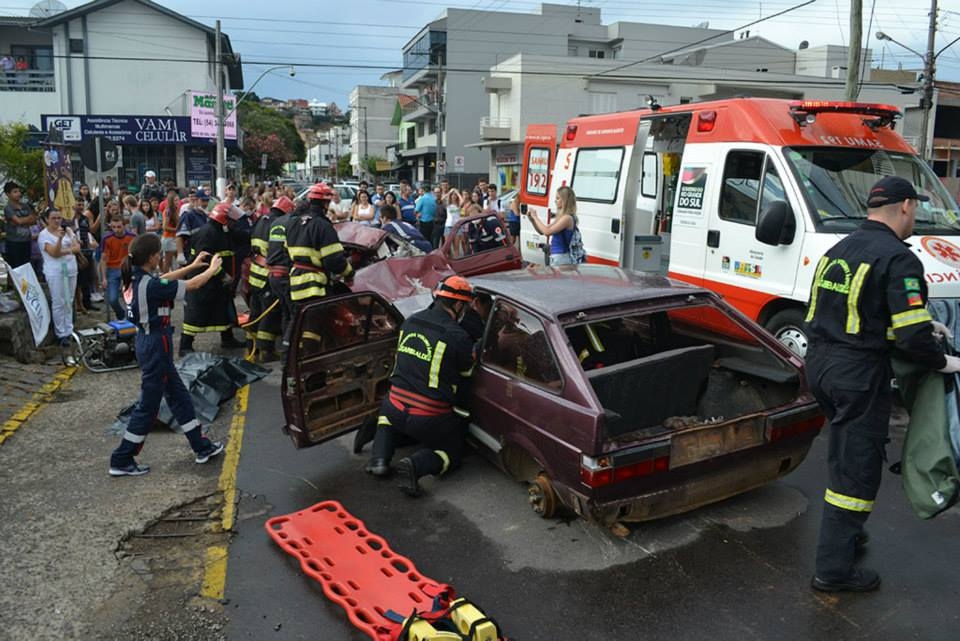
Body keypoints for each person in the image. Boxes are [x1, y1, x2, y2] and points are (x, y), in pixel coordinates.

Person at [804, 176, 960, 593]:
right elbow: (908, 338)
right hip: (857, 374)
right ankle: (833, 571)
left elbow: (862, 314)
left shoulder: (839, 249)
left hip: (821, 365)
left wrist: (928, 326)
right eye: (916, 210)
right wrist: (941, 360)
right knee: (855, 472)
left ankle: (846, 535)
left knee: (843, 454)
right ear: (906, 206)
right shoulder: (899, 259)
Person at [108, 233, 225, 476]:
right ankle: (122, 458)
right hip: (155, 345)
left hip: (150, 342)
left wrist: (191, 266)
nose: (160, 257)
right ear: (151, 257)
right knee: (148, 406)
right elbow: (192, 286)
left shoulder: (135, 279)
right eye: (158, 253)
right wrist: (212, 269)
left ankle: (201, 446)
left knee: (178, 396)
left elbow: (163, 280)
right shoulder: (148, 285)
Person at [363, 275, 478, 497]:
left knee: (386, 414)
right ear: (458, 305)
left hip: (394, 407)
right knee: (453, 452)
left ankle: (379, 460)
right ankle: (416, 465)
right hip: (429, 418)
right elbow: (467, 374)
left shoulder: (410, 322)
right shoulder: (458, 336)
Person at [284, 183, 353, 347]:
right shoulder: (323, 226)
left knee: (297, 324)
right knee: (313, 329)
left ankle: (289, 361)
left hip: (295, 282)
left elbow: (287, 253)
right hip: (314, 286)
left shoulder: (293, 223)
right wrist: (349, 272)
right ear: (325, 204)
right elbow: (334, 260)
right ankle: (309, 365)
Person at [179, 203, 242, 356]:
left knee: (223, 310)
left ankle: (227, 339)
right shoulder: (208, 233)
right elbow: (205, 260)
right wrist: (222, 274)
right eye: (231, 219)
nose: (234, 223)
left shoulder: (219, 231)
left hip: (217, 282)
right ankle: (185, 346)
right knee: (196, 313)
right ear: (223, 219)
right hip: (203, 282)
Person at [246, 196, 292, 361]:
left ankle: (251, 347)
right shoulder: (278, 224)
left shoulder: (260, 220)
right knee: (269, 313)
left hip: (255, 272)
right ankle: (266, 350)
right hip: (267, 273)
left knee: (255, 311)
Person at [38, 209, 81, 347]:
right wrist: (62, 242)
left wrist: (69, 239)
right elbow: (54, 253)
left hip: (70, 269)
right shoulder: (44, 235)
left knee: (69, 300)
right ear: (47, 220)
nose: (57, 221)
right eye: (53, 218)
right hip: (55, 271)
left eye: (59, 218)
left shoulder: (67, 230)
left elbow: (77, 248)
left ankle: (69, 329)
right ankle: (61, 333)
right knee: (59, 301)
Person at [266, 197, 298, 355]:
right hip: (285, 275)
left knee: (286, 312)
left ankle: (286, 349)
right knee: (295, 314)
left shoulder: (275, 223)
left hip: (273, 275)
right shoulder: (292, 223)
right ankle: (289, 351)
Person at [525, 186, 585, 265]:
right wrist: (532, 220)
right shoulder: (562, 217)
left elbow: (547, 232)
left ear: (565, 200)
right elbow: (542, 231)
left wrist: (535, 217)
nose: (555, 201)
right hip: (557, 257)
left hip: (561, 257)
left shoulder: (567, 218)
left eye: (558, 198)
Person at [99, 215, 136, 320]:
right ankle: (121, 315)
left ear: (124, 226)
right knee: (112, 299)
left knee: (131, 298)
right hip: (112, 269)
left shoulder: (132, 237)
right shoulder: (107, 239)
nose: (116, 230)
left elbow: (136, 254)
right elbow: (103, 258)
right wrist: (104, 277)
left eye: (119, 227)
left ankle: (131, 318)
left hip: (127, 268)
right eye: (114, 227)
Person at [3, 180, 36, 268]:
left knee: (26, 266)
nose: (18, 194)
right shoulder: (8, 208)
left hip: (26, 241)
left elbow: (34, 220)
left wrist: (21, 221)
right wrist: (25, 220)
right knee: (16, 268)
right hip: (14, 242)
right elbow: (18, 221)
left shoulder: (25, 206)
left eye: (18, 191)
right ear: (8, 194)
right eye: (15, 192)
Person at [160, 189, 180, 271]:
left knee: (177, 262)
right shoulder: (168, 211)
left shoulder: (176, 209)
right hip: (168, 239)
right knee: (167, 263)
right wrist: (177, 229)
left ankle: (174, 280)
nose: (177, 202)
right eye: (175, 200)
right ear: (171, 201)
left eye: (178, 200)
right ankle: (164, 282)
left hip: (174, 238)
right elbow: (164, 227)